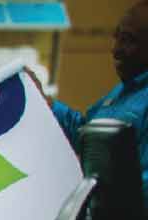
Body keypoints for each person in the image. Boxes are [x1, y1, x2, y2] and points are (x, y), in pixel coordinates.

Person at [48, 0, 147, 206]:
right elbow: (85, 133)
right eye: (117, 37)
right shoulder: (123, 91)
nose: (116, 50)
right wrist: (46, 103)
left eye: (128, 40)